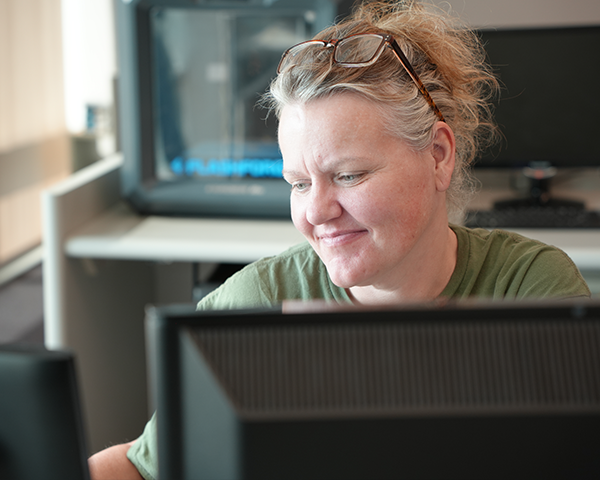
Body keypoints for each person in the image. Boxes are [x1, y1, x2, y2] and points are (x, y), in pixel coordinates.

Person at [88, 1, 591, 478]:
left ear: (438, 155)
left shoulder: (530, 290)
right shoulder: (251, 307)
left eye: (348, 176)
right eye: (299, 184)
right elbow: (143, 467)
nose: (315, 212)